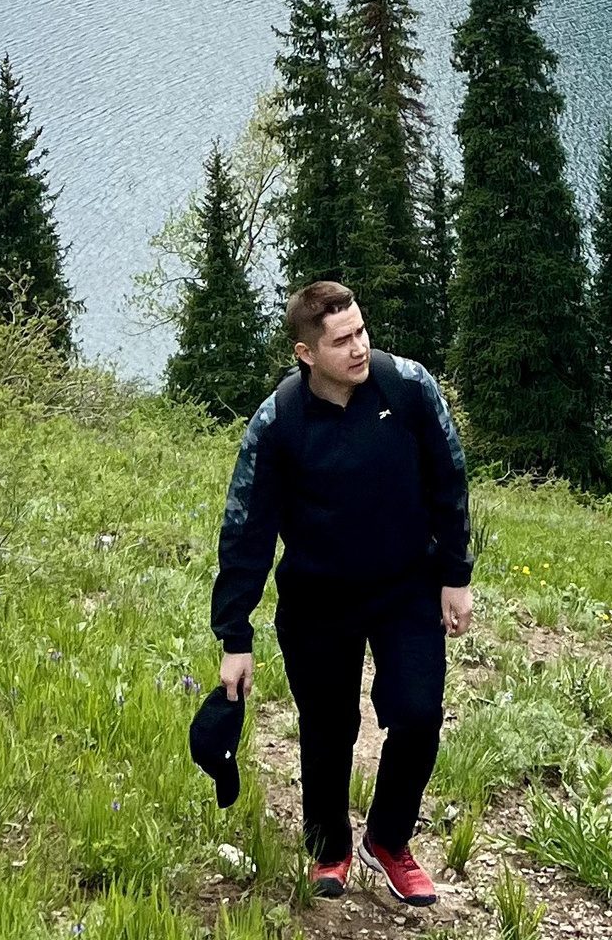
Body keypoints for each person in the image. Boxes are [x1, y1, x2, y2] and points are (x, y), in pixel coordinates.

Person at [210, 281, 474, 906]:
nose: (359, 348)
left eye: (361, 332)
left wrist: (456, 575)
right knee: (327, 727)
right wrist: (235, 636)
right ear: (306, 353)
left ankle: (388, 840)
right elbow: (247, 529)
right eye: (342, 340)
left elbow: (449, 480)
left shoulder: (408, 387)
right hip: (317, 599)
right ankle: (329, 848)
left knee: (417, 715)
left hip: (406, 586)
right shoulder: (279, 422)